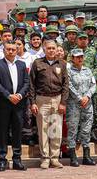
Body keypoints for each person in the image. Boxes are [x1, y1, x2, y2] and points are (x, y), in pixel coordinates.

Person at [28, 38, 68, 170]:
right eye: (49, 48)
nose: (51, 50)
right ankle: (45, 158)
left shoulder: (61, 64)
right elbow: (32, 84)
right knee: (43, 130)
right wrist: (33, 102)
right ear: (44, 49)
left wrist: (63, 102)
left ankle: (55, 158)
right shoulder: (37, 63)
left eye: (53, 48)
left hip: (57, 99)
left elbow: (65, 85)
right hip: (42, 99)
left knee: (55, 130)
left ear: (57, 50)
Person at [0, 40, 29, 171]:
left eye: (13, 49)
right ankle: (2, 159)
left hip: (19, 103)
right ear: (4, 50)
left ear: (17, 50)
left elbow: (26, 82)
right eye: (8, 49)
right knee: (2, 132)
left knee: (18, 131)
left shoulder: (22, 65)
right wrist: (8, 95)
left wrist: (19, 95)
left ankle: (17, 159)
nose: (11, 51)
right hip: (4, 103)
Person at [63, 47, 97, 167]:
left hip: (87, 104)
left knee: (86, 129)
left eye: (81, 56)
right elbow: (69, 86)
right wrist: (79, 98)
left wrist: (87, 96)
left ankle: (86, 156)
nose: (80, 58)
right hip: (74, 104)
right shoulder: (69, 71)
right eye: (77, 57)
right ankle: (73, 156)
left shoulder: (88, 70)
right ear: (72, 59)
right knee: (72, 129)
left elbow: (94, 85)